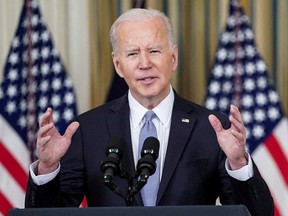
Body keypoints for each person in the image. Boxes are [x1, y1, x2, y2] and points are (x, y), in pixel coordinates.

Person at [25, 8, 273, 216]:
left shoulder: (211, 127)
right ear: (118, 65)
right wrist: (47, 169)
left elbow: (256, 213)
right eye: (133, 54)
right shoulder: (88, 130)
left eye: (154, 51)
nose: (145, 63)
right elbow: (50, 214)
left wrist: (239, 163)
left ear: (173, 58)